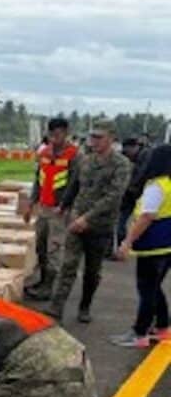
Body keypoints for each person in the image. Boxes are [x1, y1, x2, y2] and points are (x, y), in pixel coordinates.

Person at [44, 120, 131, 323]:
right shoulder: (86, 161)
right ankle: (56, 307)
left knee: (92, 271)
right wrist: (63, 206)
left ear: (111, 138)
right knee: (68, 265)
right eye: (93, 137)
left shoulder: (121, 164)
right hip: (76, 221)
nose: (94, 141)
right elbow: (74, 186)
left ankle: (85, 307)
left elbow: (114, 196)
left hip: (99, 225)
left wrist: (87, 218)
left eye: (99, 137)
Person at [110, 144, 171, 347]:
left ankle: (139, 333)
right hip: (167, 246)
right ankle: (163, 326)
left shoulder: (156, 186)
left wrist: (127, 242)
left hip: (153, 246)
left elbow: (146, 216)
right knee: (154, 289)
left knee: (146, 290)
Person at [24, 118, 80, 300]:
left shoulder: (74, 155)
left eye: (59, 135)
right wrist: (31, 203)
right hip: (43, 207)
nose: (56, 139)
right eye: (52, 135)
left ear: (66, 133)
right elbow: (38, 180)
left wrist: (64, 206)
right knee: (40, 245)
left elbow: (75, 184)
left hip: (60, 210)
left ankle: (49, 287)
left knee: (53, 248)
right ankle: (42, 280)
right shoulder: (44, 153)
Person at [116, 136, 147, 251]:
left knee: (141, 222)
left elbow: (142, 175)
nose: (126, 153)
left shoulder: (146, 158)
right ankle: (122, 246)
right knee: (121, 222)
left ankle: (132, 244)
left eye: (127, 149)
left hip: (141, 196)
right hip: (128, 196)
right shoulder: (124, 157)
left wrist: (132, 186)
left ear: (135, 147)